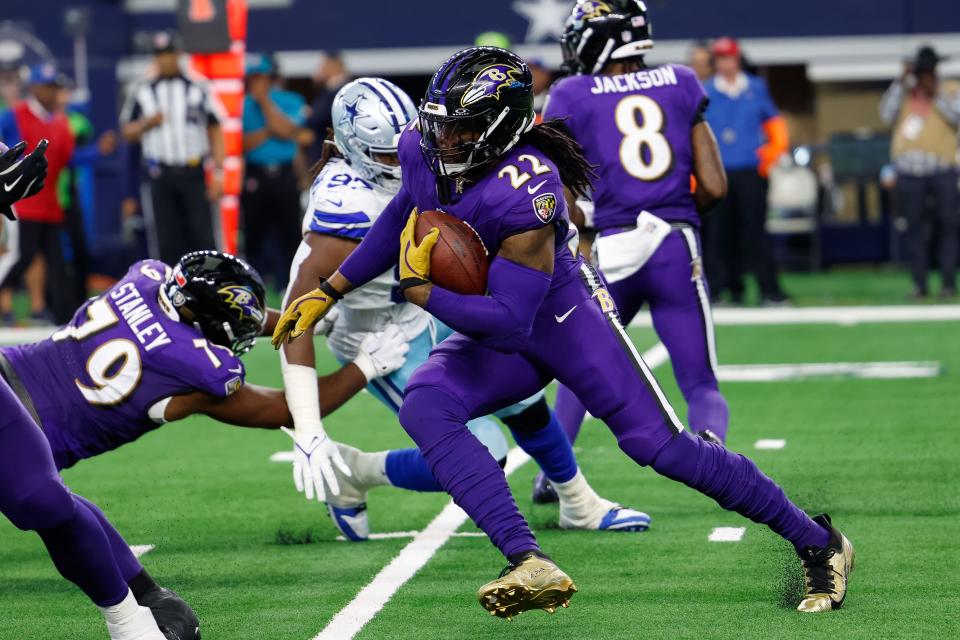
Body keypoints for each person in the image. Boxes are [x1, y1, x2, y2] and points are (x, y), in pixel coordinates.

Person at [275, 44, 854, 619]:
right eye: (439, 124)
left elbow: (509, 324)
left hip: (563, 318)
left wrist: (423, 292)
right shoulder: (426, 148)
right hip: (500, 313)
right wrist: (331, 289)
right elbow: (405, 208)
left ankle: (817, 541)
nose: (441, 140)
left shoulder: (529, 187)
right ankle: (527, 559)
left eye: (461, 129)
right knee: (426, 404)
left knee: (662, 448)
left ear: (499, 129)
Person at [282, 76, 651, 541]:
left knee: (527, 399)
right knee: (483, 451)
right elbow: (299, 313)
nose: (404, 161)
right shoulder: (345, 209)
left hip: (431, 304)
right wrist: (310, 427)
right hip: (380, 334)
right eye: (387, 156)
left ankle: (579, 502)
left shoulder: (433, 151)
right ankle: (359, 471)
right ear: (353, 150)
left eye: (407, 145)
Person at [0, 249, 408, 639]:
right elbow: (283, 410)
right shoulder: (196, 372)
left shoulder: (146, 279)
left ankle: (145, 594)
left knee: (59, 507)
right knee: (50, 506)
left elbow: (220, 313)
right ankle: (132, 611)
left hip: (9, 370)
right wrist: (365, 366)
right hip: (26, 433)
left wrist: (309, 321)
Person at [539, 0, 730, 503]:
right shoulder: (683, 80)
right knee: (700, 382)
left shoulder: (572, 92)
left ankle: (556, 476)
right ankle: (718, 464)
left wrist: (578, 226)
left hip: (614, 246)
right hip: (673, 243)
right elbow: (713, 185)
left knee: (581, 369)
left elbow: (556, 191)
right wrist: (676, 213)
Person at [119, 31, 224, 264]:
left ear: (179, 54)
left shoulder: (198, 86)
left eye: (169, 54)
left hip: (193, 171)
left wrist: (218, 172)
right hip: (160, 175)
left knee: (204, 237)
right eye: (160, 55)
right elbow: (127, 132)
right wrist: (147, 123)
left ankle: (213, 290)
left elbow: (215, 128)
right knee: (166, 240)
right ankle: (171, 295)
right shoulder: (142, 89)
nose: (165, 60)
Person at [703, 36, 789, 305]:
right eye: (720, 58)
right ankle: (722, 289)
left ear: (737, 59)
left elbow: (776, 126)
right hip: (719, 174)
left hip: (751, 171)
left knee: (756, 232)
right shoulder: (705, 91)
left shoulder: (755, 87)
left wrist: (769, 157)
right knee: (719, 234)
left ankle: (769, 290)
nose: (725, 63)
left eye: (729, 57)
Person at [879, 45, 960, 299]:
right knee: (914, 228)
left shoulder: (949, 89)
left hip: (942, 167)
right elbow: (885, 114)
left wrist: (934, 93)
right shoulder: (905, 92)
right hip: (909, 170)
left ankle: (948, 283)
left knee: (948, 226)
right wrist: (901, 83)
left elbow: (957, 115)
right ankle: (920, 284)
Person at [0, 63, 75, 325]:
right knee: (19, 256)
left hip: (48, 202)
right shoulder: (13, 116)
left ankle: (59, 316)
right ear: (34, 88)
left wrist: (99, 151)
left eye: (54, 87)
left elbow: (68, 160)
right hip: (20, 203)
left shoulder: (61, 123)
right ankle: (9, 307)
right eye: (47, 87)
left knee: (54, 262)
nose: (51, 93)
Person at [242, 54, 313, 290]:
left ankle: (291, 284)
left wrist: (265, 104)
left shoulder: (291, 99)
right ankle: (255, 285)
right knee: (254, 233)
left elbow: (287, 130)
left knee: (290, 232)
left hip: (284, 174)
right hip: (255, 174)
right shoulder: (243, 104)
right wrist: (272, 131)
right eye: (252, 78)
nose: (256, 83)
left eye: (260, 78)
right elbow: (243, 143)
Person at [305, 51, 350, 164]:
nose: (321, 69)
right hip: (326, 156)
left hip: (334, 157)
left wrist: (309, 114)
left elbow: (320, 119)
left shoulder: (343, 90)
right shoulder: (328, 90)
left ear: (332, 64)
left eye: (323, 65)